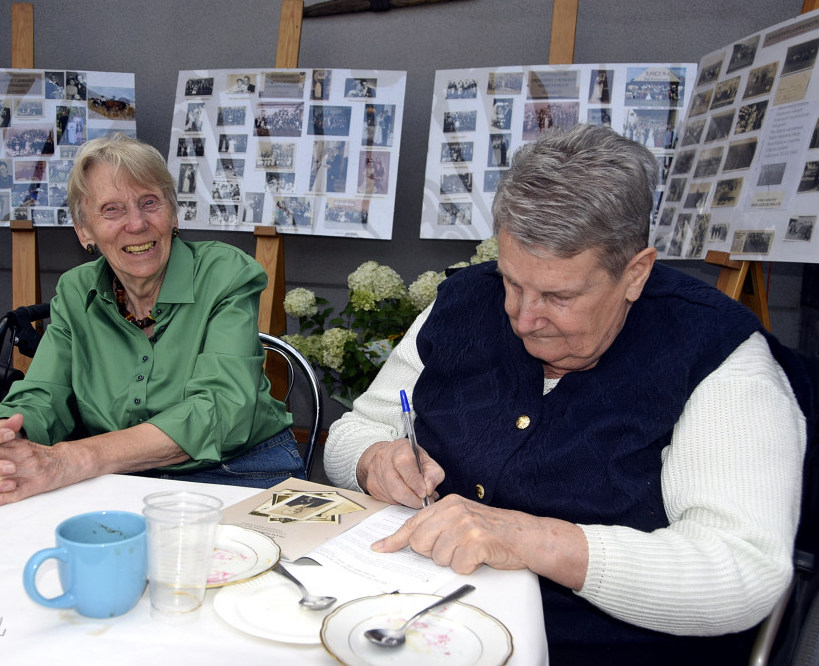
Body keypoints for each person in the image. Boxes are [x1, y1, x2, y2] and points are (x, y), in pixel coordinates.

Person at [323, 123, 811, 664]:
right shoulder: (464, 302)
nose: (522, 317)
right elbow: (355, 431)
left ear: (635, 273)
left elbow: (741, 570)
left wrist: (534, 540)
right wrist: (373, 459)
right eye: (512, 281)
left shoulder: (718, 357)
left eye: (558, 296)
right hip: (415, 626)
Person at [0, 134, 304, 507]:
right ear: (84, 230)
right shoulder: (76, 291)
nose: (136, 224)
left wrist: (73, 459)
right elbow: (42, 395)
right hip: (119, 476)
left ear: (173, 212)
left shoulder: (224, 273)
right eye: (112, 209)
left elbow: (220, 408)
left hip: (239, 471)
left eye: (149, 202)